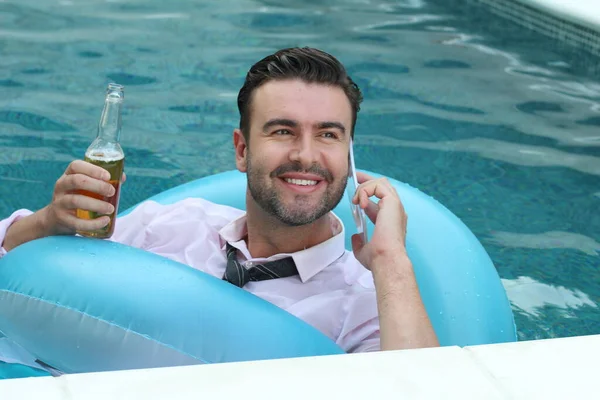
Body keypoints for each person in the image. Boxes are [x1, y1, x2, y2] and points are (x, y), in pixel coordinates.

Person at [0, 47, 438, 356]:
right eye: (282, 131)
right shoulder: (173, 225)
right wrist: (47, 224)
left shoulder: (365, 303)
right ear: (242, 150)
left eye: (328, 134)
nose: (306, 155)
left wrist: (392, 262)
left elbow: (423, 390)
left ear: (349, 153)